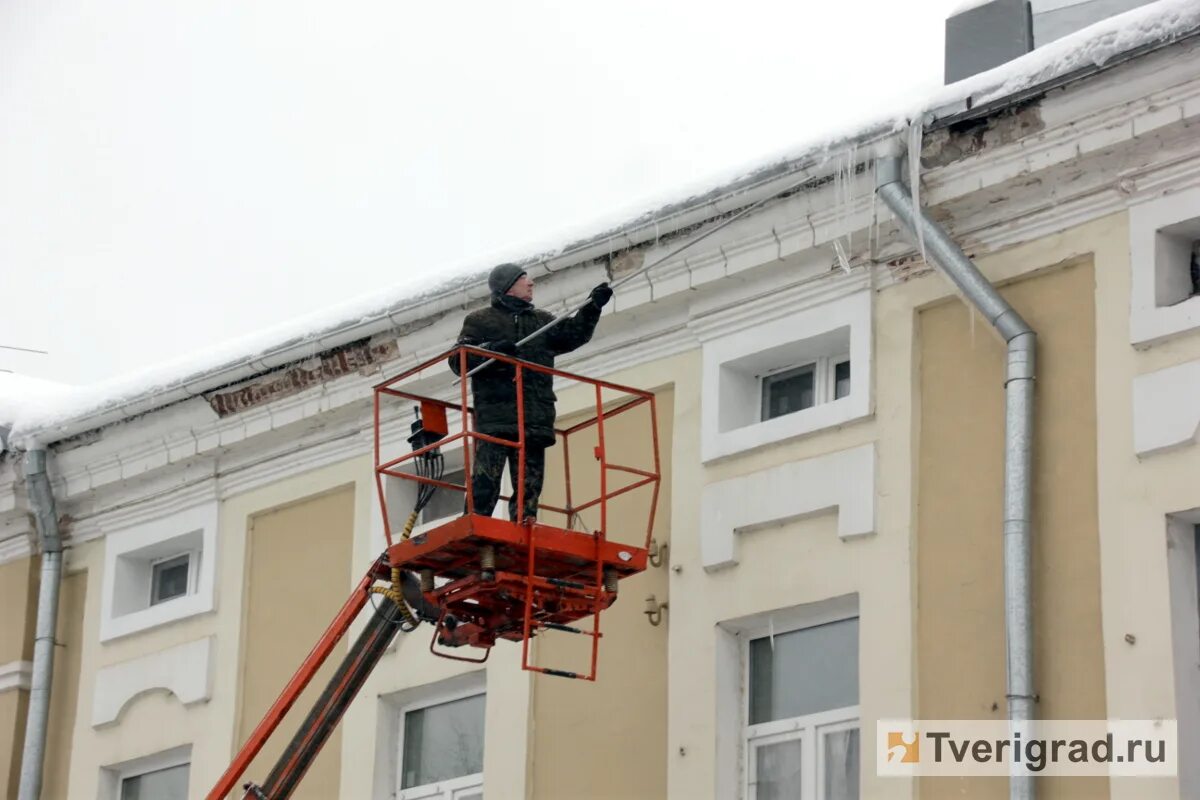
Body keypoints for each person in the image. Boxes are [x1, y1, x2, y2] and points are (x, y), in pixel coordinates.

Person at [448, 263, 612, 522]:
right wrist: (492, 350)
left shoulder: (541, 322)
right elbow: (459, 360)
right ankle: (475, 521)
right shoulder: (480, 321)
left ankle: (526, 522)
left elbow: (572, 335)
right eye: (524, 278)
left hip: (534, 416)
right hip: (496, 418)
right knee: (485, 477)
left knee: (530, 480)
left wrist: (592, 307)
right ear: (507, 286)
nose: (531, 282)